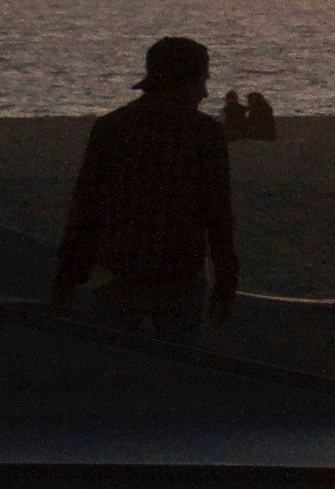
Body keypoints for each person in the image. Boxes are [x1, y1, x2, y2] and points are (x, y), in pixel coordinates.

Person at [49, 36, 240, 335]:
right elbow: (218, 215)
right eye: (203, 81)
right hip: (180, 276)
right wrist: (226, 281)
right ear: (187, 81)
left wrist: (65, 279)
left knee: (113, 362)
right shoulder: (206, 134)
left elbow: (85, 208)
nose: (205, 92)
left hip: (116, 271)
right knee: (179, 365)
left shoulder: (111, 127)